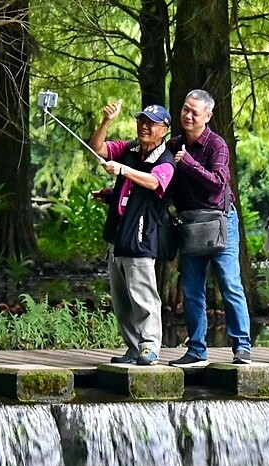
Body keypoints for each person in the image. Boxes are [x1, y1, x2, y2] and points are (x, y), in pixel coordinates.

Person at [165, 89, 252, 367]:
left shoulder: (217, 145)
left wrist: (187, 163)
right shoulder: (173, 144)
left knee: (229, 283)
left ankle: (242, 347)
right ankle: (196, 349)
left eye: (195, 112)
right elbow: (161, 181)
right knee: (191, 288)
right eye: (185, 110)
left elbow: (218, 182)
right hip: (191, 225)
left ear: (208, 115)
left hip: (220, 221)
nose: (188, 116)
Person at [89, 101, 175, 366]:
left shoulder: (166, 160)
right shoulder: (128, 149)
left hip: (142, 237)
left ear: (164, 130)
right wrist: (106, 122)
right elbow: (98, 149)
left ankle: (150, 347)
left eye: (151, 123)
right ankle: (133, 348)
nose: (144, 126)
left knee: (143, 295)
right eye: (141, 121)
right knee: (121, 298)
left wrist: (123, 170)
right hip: (118, 235)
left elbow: (154, 181)